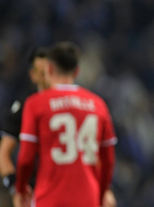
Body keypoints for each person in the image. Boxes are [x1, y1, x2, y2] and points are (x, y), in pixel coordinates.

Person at [13, 42, 117, 207]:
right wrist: (102, 193)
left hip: (49, 199)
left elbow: (26, 158)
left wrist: (20, 190)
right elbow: (108, 160)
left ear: (49, 70)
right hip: (88, 198)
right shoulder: (98, 105)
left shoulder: (35, 104)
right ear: (76, 71)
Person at [0, 47, 48, 207]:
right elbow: (3, 153)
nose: (46, 76)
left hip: (68, 186)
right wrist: (16, 188)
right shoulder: (26, 107)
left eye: (48, 71)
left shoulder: (72, 105)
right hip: (36, 192)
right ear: (32, 75)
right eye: (41, 72)